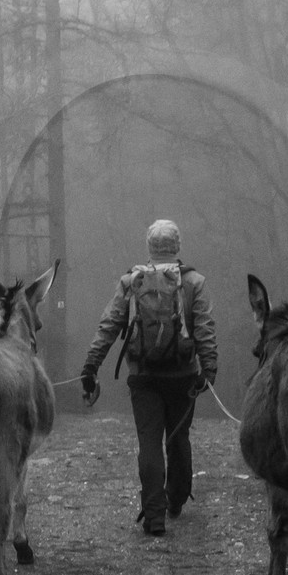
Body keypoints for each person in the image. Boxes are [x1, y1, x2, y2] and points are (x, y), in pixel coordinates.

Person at [80, 220, 219, 536]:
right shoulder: (193, 282)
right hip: (184, 376)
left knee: (149, 443)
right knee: (179, 438)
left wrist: (90, 368)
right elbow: (205, 329)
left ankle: (154, 516)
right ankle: (176, 500)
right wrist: (208, 370)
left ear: (149, 248)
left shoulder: (132, 281)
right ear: (178, 246)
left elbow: (109, 326)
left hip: (143, 377)